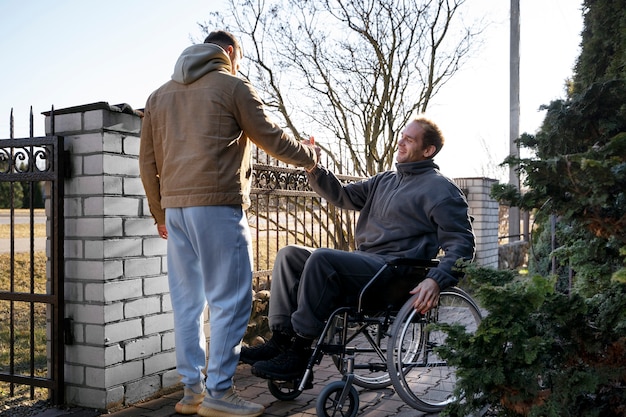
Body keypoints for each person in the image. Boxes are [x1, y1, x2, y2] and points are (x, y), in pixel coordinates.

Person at [139, 30, 317, 417]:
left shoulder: (158, 96)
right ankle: (219, 391)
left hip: (176, 211)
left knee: (187, 305)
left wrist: (160, 213)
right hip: (218, 207)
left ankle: (192, 393)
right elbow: (269, 136)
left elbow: (147, 162)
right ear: (231, 52)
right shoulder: (234, 85)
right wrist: (308, 155)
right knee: (231, 301)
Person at [240, 116, 475, 381]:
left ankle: (300, 350)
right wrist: (313, 166)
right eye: (402, 136)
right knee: (290, 255)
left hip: (395, 274)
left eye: (409, 140)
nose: (400, 142)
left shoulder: (442, 190)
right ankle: (281, 339)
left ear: (428, 150)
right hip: (367, 264)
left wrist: (436, 280)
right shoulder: (385, 180)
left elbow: (462, 245)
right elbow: (343, 195)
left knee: (322, 258)